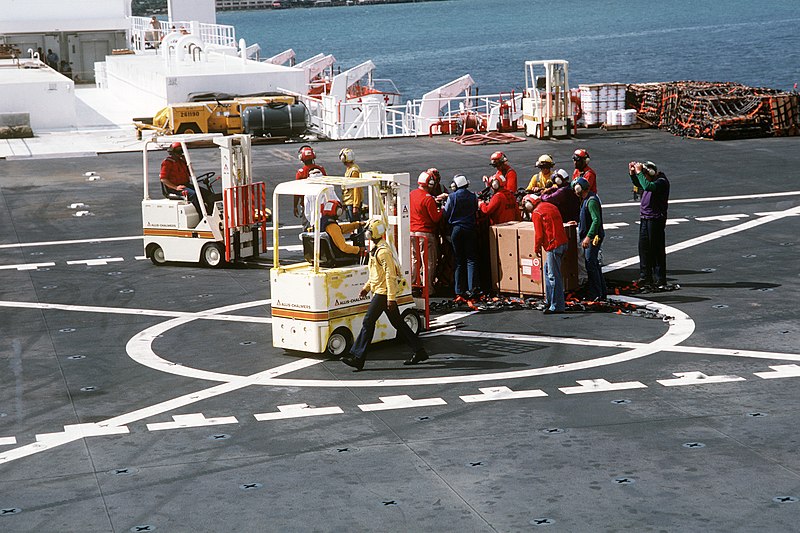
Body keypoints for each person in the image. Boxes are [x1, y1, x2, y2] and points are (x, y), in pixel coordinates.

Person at [340, 219, 428, 371]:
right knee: (398, 323)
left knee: (368, 321)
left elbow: (390, 276)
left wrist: (391, 298)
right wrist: (367, 288)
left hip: (383, 293)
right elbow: (377, 274)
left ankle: (358, 357)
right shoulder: (377, 249)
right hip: (380, 290)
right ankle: (419, 350)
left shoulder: (383, 252)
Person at [523, 194, 569, 314]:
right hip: (562, 243)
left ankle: (556, 305)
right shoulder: (550, 206)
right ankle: (549, 300)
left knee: (553, 276)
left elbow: (539, 235)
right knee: (548, 271)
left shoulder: (537, 213)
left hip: (553, 246)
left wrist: (536, 248)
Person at [629, 160, 670, 288]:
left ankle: (659, 278)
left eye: (645, 175)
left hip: (655, 219)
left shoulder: (661, 182)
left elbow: (647, 186)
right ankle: (645, 276)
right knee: (644, 248)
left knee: (656, 249)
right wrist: (632, 174)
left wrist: (639, 172)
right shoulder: (650, 179)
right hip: (645, 218)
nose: (644, 178)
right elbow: (640, 184)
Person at [443, 174, 480, 297]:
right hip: (470, 229)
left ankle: (459, 290)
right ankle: (472, 288)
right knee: (471, 259)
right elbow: (476, 210)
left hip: (456, 230)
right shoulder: (473, 197)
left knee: (459, 261)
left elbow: (446, 213)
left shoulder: (452, 197)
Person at [572, 176, 607, 301]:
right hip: (591, 237)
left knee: (591, 265)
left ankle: (596, 293)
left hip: (593, 238)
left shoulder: (590, 201)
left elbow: (596, 220)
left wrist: (588, 237)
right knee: (594, 265)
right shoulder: (587, 199)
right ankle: (601, 292)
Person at [159, 142, 215, 217]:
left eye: (181, 151)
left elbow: (191, 173)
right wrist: (175, 187)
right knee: (194, 194)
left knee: (208, 194)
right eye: (179, 151)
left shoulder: (182, 161)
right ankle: (203, 216)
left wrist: (187, 162)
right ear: (173, 152)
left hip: (185, 185)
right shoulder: (167, 163)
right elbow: (163, 179)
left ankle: (211, 213)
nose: (180, 153)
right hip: (175, 188)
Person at [410, 170, 443, 293]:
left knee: (414, 260)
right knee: (428, 261)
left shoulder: (411, 194)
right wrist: (443, 210)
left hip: (412, 232)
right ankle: (427, 288)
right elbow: (435, 218)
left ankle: (413, 284)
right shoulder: (428, 199)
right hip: (425, 233)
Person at [295, 145, 326, 228]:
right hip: (322, 202)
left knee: (307, 225)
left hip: (307, 203)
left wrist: (295, 206)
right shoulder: (321, 169)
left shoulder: (301, 172)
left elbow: (297, 191)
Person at [338, 148, 363, 222]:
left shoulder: (354, 171)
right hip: (348, 201)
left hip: (352, 202)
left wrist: (356, 205)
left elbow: (356, 189)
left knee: (355, 224)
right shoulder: (349, 169)